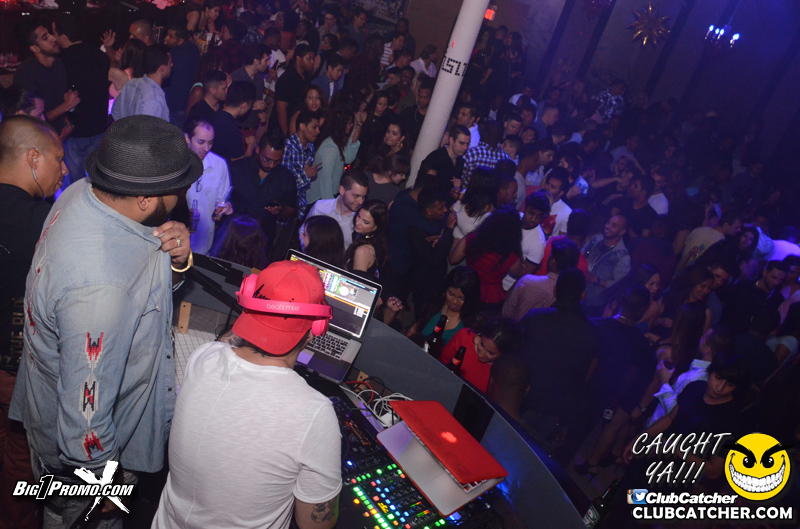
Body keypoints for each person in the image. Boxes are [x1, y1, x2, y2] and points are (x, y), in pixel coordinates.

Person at [9, 115, 198, 528]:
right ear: (144, 200)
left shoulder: (83, 193)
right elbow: (85, 421)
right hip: (87, 463)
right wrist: (102, 483)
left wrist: (177, 261)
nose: (184, 193)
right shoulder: (100, 290)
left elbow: (140, 283)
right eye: (178, 187)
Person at [152, 261, 340, 529]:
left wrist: (259, 308)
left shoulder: (204, 357)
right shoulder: (314, 412)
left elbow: (229, 343)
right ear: (317, 328)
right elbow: (314, 525)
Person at [0, 116, 67, 529]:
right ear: (33, 158)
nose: (64, 168)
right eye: (58, 158)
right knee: (22, 468)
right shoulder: (47, 223)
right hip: (21, 376)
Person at [519, 269, 600, 443]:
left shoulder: (535, 318)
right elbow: (588, 375)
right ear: (583, 295)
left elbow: (514, 356)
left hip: (525, 399)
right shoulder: (593, 331)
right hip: (559, 409)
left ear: (555, 289)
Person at [52, 16, 110, 187]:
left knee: (75, 183)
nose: (53, 38)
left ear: (64, 37)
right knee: (98, 181)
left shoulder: (61, 61)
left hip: (76, 130)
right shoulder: (99, 55)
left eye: (55, 34)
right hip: (99, 126)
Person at [228, 132, 297, 257]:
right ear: (257, 150)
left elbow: (291, 208)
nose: (271, 165)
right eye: (267, 160)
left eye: (276, 161)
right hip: (232, 238)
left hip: (262, 243)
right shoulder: (238, 168)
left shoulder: (286, 178)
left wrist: (281, 211)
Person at [450, 206, 525, 309]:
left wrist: (454, 242)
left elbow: (453, 259)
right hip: (491, 298)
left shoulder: (472, 239)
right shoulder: (510, 255)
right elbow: (520, 272)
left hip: (468, 289)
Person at [13, 24, 75, 138]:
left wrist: (67, 124)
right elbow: (30, 120)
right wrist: (66, 106)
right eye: (45, 38)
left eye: (50, 33)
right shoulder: (26, 74)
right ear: (35, 48)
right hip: (39, 138)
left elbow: (58, 98)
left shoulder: (58, 64)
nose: (53, 38)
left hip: (58, 134)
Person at [184, 118, 232, 254]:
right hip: (174, 238)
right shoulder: (175, 162)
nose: (206, 148)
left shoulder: (219, 165)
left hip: (203, 243)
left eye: (210, 143)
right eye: (201, 142)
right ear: (187, 138)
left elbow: (222, 201)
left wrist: (225, 208)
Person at [503, 237, 580, 321]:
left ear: (553, 261)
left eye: (550, 256)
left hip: (517, 328)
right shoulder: (569, 296)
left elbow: (506, 313)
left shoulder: (527, 281)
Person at [439, 317, 522, 392]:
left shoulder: (502, 370)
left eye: (491, 353)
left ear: (503, 355)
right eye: (482, 344)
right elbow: (440, 364)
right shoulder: (463, 337)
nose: (481, 355)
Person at [409, 187, 456, 319]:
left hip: (437, 279)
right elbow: (436, 259)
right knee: (423, 314)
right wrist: (448, 230)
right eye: (441, 208)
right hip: (424, 282)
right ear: (429, 211)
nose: (445, 210)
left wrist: (442, 236)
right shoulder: (417, 230)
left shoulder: (438, 220)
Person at [300, 171, 368, 251]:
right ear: (342, 190)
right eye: (356, 196)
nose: (361, 202)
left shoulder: (361, 219)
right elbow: (302, 231)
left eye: (363, 197)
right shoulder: (320, 207)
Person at [413, 266, 481, 347]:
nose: (454, 302)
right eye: (451, 294)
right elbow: (413, 332)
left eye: (461, 298)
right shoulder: (433, 305)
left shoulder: (471, 324)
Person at [311, 105, 363, 203]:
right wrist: (330, 206)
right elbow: (326, 180)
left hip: (327, 194)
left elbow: (348, 158)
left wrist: (354, 141)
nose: (351, 125)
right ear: (342, 125)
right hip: (318, 197)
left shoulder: (337, 142)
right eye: (350, 123)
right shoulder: (330, 147)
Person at [583, 214, 631, 315]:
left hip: (595, 304)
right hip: (578, 292)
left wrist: (593, 279)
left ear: (622, 232)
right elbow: (581, 255)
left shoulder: (623, 256)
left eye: (614, 225)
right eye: (608, 222)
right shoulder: (596, 239)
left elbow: (617, 284)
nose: (608, 226)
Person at [722, 260, 787, 332]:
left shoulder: (778, 300)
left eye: (780, 280)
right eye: (774, 277)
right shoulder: (743, 287)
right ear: (765, 272)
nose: (776, 282)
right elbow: (727, 311)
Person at [112, 45, 173, 122]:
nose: (172, 65)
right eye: (170, 63)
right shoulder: (154, 99)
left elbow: (115, 112)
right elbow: (146, 129)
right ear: (162, 69)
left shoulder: (131, 83)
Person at [284, 109, 322, 215]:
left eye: (318, 128)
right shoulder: (288, 148)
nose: (318, 131)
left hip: (299, 206)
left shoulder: (310, 147)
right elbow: (284, 185)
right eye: (314, 127)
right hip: (285, 208)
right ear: (302, 126)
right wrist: (305, 175)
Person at [274, 44, 316, 136]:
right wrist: (287, 134)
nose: (312, 62)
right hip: (283, 129)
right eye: (309, 59)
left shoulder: (306, 77)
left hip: (298, 126)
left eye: (313, 59)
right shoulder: (287, 79)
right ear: (299, 58)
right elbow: (281, 109)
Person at [163, 26, 200, 130]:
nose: (166, 38)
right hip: (186, 102)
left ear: (180, 40)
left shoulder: (174, 54)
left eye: (171, 36)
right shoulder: (194, 49)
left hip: (174, 103)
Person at [210, 80, 256, 162]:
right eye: (250, 105)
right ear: (244, 106)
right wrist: (250, 146)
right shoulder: (233, 131)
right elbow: (239, 164)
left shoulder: (213, 115)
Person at [230, 44, 270, 132]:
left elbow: (258, 101)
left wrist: (260, 113)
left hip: (252, 128)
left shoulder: (259, 78)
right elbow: (231, 105)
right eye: (266, 60)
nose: (269, 63)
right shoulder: (237, 77)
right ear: (256, 61)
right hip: (236, 128)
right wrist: (252, 105)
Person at [344, 199, 388, 278]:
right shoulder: (374, 239)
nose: (358, 222)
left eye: (365, 222)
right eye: (358, 216)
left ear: (375, 227)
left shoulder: (362, 251)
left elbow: (357, 283)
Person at [451, 169, 497, 242]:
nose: (469, 181)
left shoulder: (488, 214)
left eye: (472, 179)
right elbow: (452, 212)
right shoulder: (465, 194)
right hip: (451, 238)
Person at [540, 168, 573, 237]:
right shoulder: (536, 197)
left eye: (553, 187)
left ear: (560, 193)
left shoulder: (567, 212)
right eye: (547, 183)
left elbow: (562, 237)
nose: (547, 187)